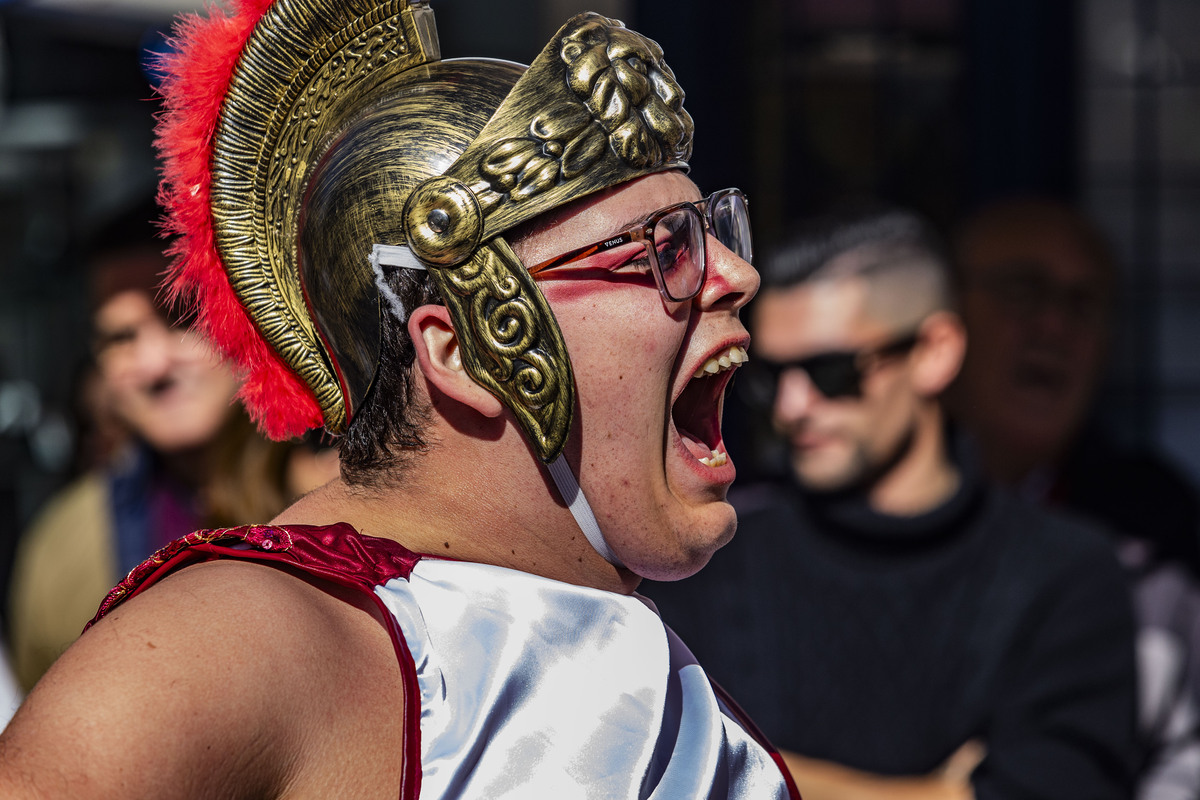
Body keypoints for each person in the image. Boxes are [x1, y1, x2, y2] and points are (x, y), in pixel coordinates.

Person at [0, 1, 798, 797]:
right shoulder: (249, 640)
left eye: (711, 231)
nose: (736, 275)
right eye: (661, 247)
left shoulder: (614, 626)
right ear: (462, 351)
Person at [646, 208, 1140, 799]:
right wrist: (932, 794)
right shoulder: (710, 555)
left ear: (935, 351)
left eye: (832, 372)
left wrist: (749, 771)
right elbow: (650, 768)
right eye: (771, 375)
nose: (793, 405)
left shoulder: (1066, 575)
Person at [950, 198, 1200, 798]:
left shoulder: (1163, 535)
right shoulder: (837, 510)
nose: (1054, 327)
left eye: (1083, 304)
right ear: (941, 319)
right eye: (1022, 290)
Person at [7, 239, 339, 691]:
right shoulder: (61, 550)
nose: (154, 364)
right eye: (121, 338)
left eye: (182, 318)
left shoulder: (353, 496)